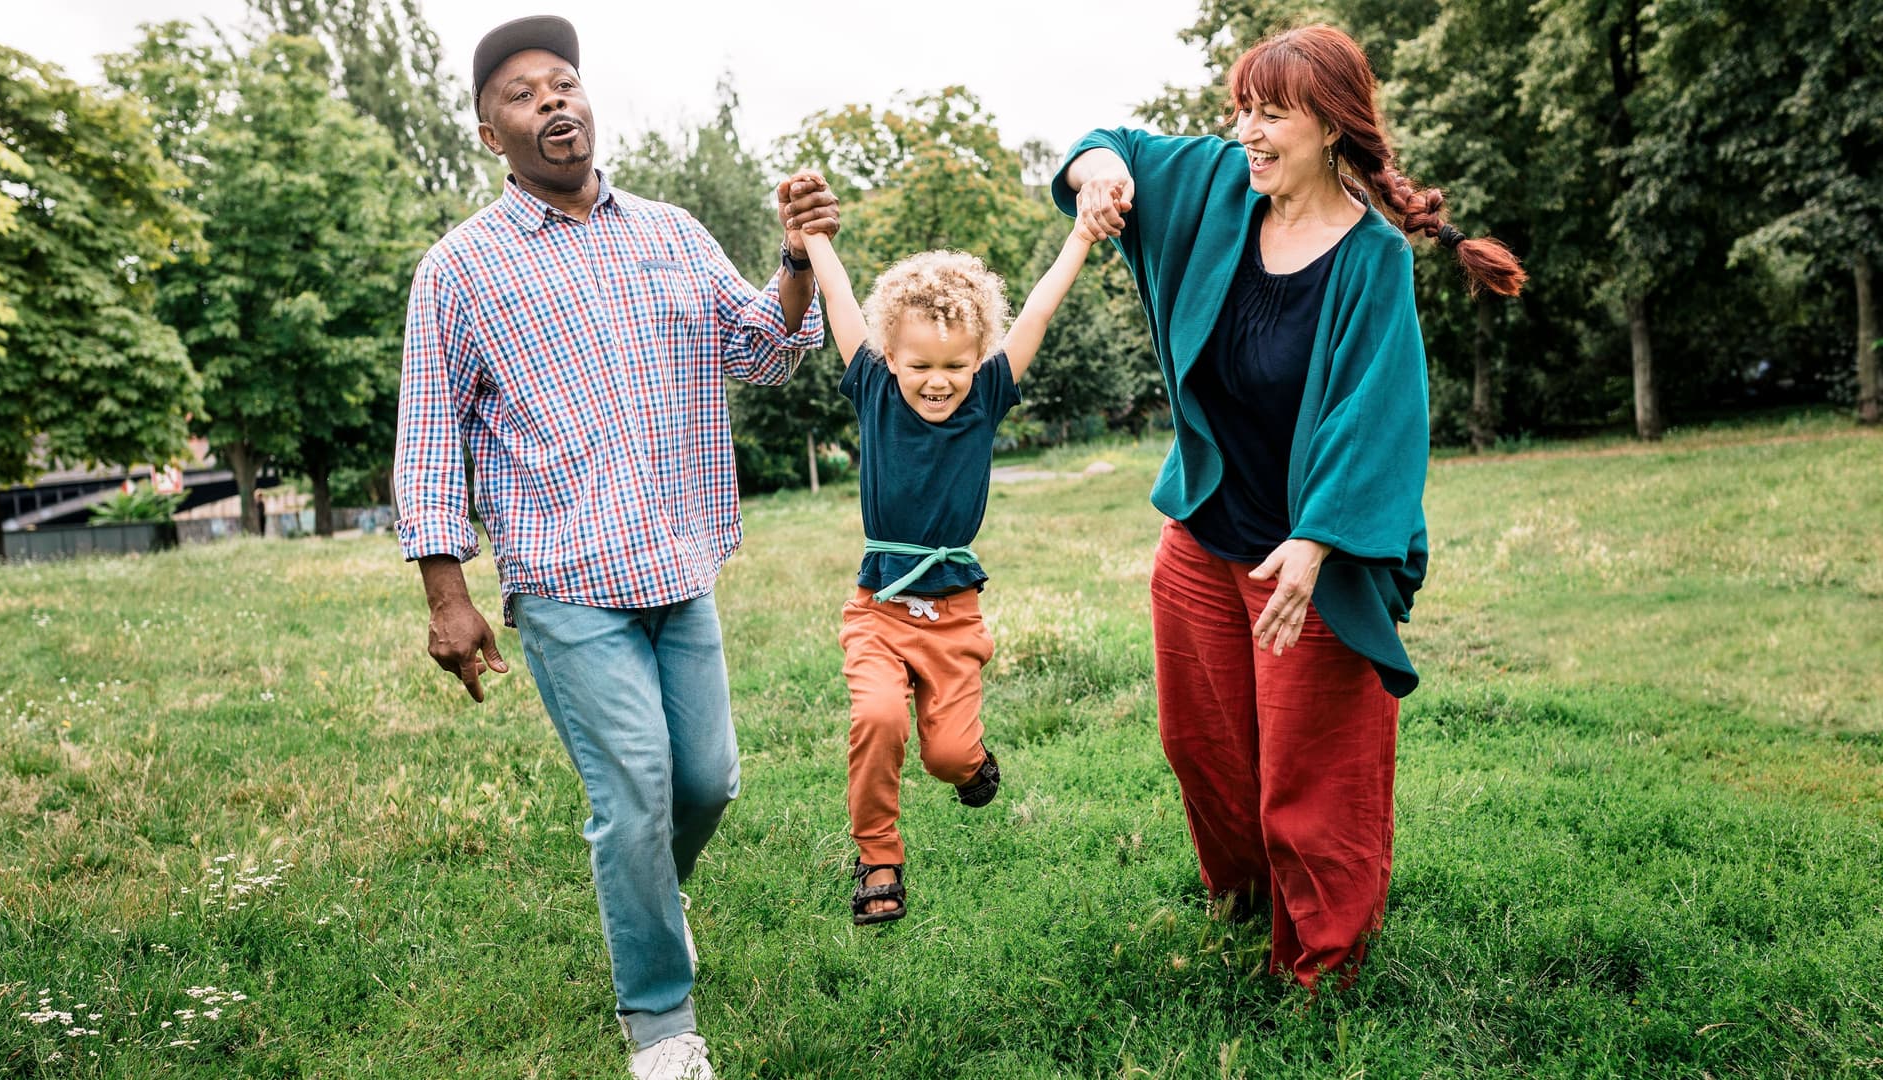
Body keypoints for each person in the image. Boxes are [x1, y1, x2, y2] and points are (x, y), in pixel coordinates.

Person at [392, 16, 839, 1080]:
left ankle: (648, 895)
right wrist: (447, 598)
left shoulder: (671, 233)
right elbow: (428, 437)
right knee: (634, 791)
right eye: (521, 94)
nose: (552, 99)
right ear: (491, 137)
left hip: (677, 559)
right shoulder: (458, 269)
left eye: (564, 82)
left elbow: (762, 346)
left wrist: (797, 260)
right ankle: (661, 1024)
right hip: (564, 577)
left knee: (707, 783)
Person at [1054, 24, 1525, 990]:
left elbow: (1376, 413)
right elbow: (1112, 144)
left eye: (1272, 115)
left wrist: (1315, 541)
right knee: (1204, 745)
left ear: (1331, 127)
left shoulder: (1371, 260)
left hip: (1310, 559)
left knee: (1313, 775)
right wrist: (1098, 170)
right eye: (1243, 110)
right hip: (1204, 527)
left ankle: (1325, 969)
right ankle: (1240, 893)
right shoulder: (1219, 187)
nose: (1248, 133)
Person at [795, 196, 1107, 924]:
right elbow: (839, 299)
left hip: (953, 615)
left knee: (948, 758)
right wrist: (813, 238)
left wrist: (1080, 237)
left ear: (978, 358)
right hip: (879, 607)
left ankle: (972, 763)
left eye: (955, 365)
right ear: (890, 357)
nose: (938, 380)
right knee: (879, 719)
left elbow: (1037, 311)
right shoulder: (873, 388)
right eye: (920, 365)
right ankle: (879, 858)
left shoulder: (985, 396)